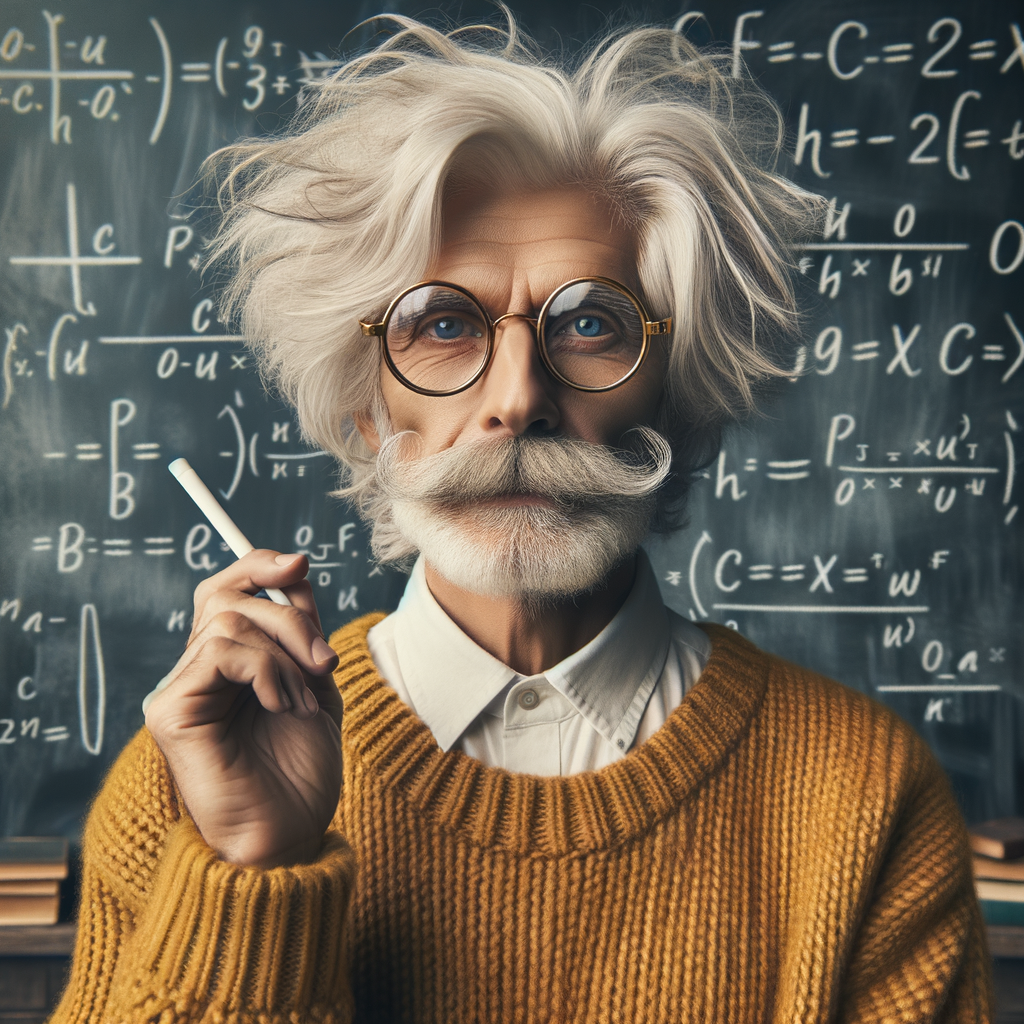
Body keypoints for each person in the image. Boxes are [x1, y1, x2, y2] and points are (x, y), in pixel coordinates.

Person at [50, 15, 993, 1024]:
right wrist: (250, 870)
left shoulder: (865, 798)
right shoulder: (188, 780)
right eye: (442, 325)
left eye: (590, 323)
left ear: (675, 393)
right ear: (369, 408)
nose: (517, 398)